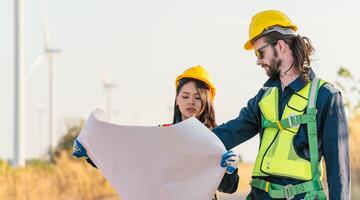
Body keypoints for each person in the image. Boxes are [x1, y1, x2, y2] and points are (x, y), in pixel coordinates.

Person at [215, 10, 350, 200]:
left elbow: (338, 171)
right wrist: (185, 140)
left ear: (280, 46)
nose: (258, 61)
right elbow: (230, 132)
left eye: (260, 52)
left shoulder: (325, 96)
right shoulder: (264, 96)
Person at [73, 65, 240, 199]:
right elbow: (129, 162)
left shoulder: (215, 140)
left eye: (197, 97)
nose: (191, 102)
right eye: (185, 96)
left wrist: (230, 171)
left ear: (207, 101)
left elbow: (229, 188)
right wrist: (91, 152)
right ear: (176, 99)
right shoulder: (162, 134)